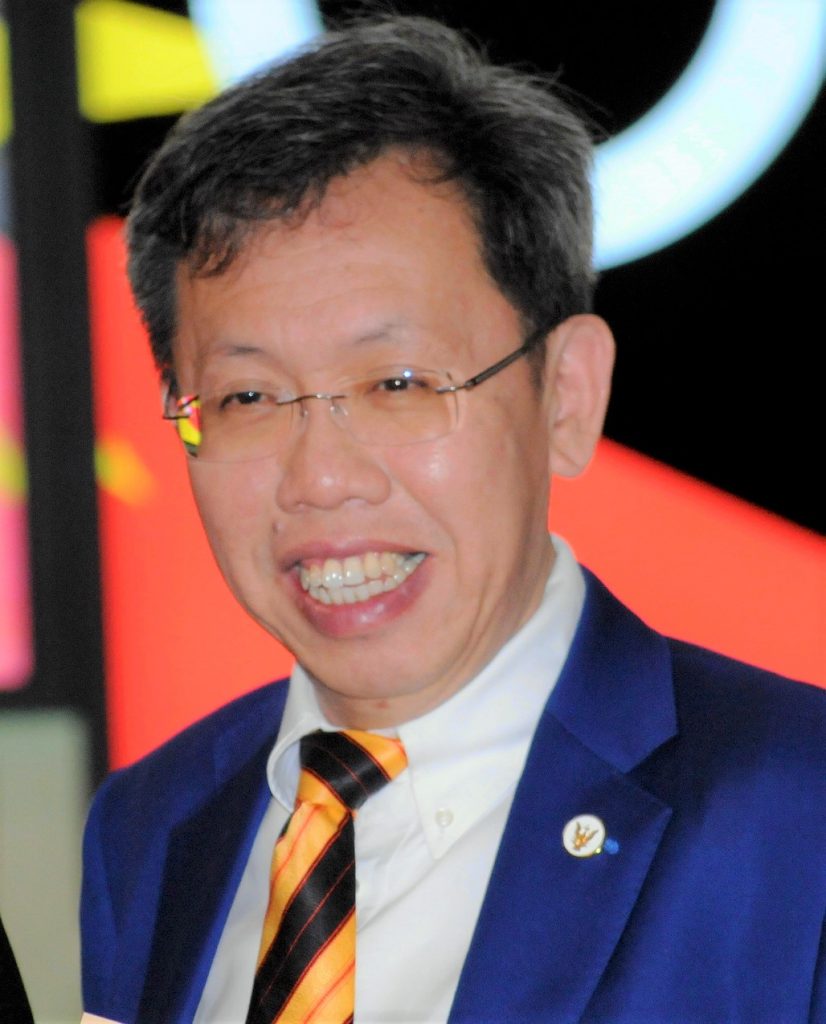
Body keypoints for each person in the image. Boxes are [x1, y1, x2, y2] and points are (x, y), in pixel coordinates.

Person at [80, 15, 825, 1024]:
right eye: (248, 397)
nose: (321, 478)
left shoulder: (797, 809)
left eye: (397, 383)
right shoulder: (150, 828)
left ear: (566, 396)